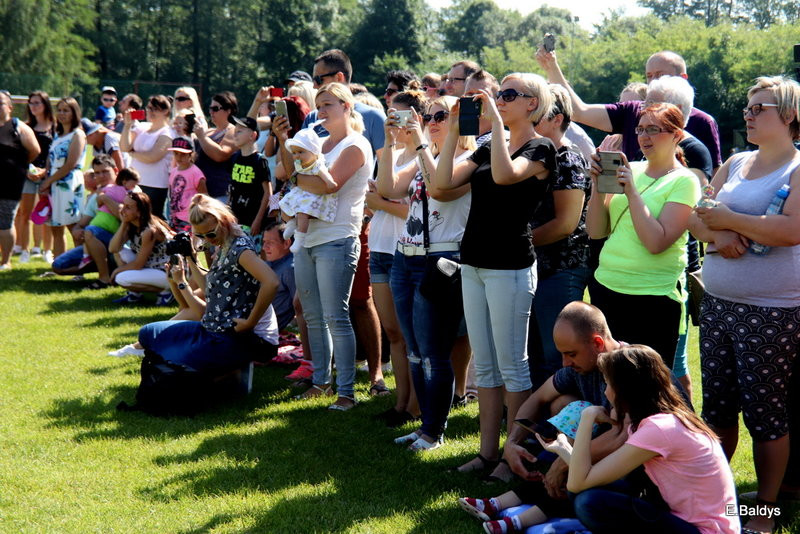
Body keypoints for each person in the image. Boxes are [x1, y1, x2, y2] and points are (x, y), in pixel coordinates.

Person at [690, 75, 800, 534]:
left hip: (772, 312)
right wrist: (718, 234)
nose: (749, 114)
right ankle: (721, 498)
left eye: (762, 107)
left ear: (790, 115)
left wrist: (730, 221)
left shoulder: (797, 169)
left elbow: (791, 231)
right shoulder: (734, 161)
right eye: (749, 107)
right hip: (717, 305)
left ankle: (766, 512)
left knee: (766, 414)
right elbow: (698, 218)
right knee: (716, 409)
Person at [433, 73, 556, 475]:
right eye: (498, 93)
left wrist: (498, 128)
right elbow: (441, 183)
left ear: (532, 104)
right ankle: (487, 453)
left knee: (513, 365)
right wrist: (454, 130)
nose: (499, 100)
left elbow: (506, 176)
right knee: (484, 365)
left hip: (511, 268)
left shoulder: (542, 148)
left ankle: (512, 455)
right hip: (475, 263)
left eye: (508, 95)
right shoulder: (487, 146)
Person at [541, 345, 739, 534]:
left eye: (608, 384)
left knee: (590, 502)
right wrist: (563, 449)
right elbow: (587, 477)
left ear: (625, 390)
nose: (605, 392)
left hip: (704, 530)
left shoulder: (658, 429)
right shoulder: (659, 420)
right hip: (687, 521)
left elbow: (579, 482)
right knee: (587, 493)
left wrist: (587, 416)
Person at [378, 94, 476, 449]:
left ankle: (435, 431)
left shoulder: (469, 159)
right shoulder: (429, 154)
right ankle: (425, 426)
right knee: (415, 350)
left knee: (435, 352)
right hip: (406, 257)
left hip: (440, 261)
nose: (431, 121)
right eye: (428, 116)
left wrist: (418, 141)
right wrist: (390, 143)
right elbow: (388, 188)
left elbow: (441, 190)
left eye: (440, 116)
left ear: (457, 121)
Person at [273, 82, 372, 411]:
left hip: (338, 238)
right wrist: (288, 148)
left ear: (347, 107)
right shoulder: (319, 143)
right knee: (313, 316)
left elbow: (328, 186)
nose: (321, 110)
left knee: (336, 316)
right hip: (307, 240)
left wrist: (295, 165)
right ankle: (321, 383)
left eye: (328, 103)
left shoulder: (356, 145)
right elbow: (301, 177)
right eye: (319, 104)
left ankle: (346, 392)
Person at [586, 103, 700, 368]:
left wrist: (632, 193)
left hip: (653, 298)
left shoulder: (685, 180)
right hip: (607, 287)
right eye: (640, 129)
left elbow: (656, 242)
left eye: (653, 129)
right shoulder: (631, 169)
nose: (644, 137)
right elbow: (596, 231)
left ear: (677, 135)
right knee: (611, 378)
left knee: (649, 387)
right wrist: (597, 187)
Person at [137, 194, 279, 372]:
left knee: (176, 361)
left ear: (224, 222)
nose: (207, 239)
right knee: (148, 333)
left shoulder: (240, 249)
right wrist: (189, 258)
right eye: (200, 235)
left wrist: (250, 322)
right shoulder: (223, 243)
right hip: (215, 328)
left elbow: (272, 282)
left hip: (245, 337)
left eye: (210, 233)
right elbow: (211, 291)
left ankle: (229, 374)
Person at [536, 48, 722, 172]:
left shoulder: (702, 124)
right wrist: (552, 66)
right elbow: (579, 111)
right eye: (649, 76)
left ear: (683, 78)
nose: (653, 82)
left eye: (660, 75)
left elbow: (711, 176)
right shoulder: (633, 111)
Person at [528, 84, 592, 388]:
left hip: (560, 268)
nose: (531, 119)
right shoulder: (535, 155)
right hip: (535, 265)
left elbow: (565, 224)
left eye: (538, 114)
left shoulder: (567, 158)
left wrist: (516, 244)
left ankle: (560, 425)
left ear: (558, 118)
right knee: (535, 353)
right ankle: (535, 422)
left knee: (558, 356)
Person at [371, 89, 425, 425]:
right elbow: (381, 195)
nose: (397, 123)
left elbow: (410, 209)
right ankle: (400, 401)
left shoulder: (423, 155)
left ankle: (413, 404)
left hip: (403, 249)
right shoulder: (389, 152)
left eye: (403, 116)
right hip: (379, 245)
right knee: (392, 332)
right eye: (392, 116)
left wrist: (379, 203)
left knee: (408, 334)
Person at [301, 49, 386, 157]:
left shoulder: (374, 117)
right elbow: (295, 166)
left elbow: (386, 168)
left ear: (339, 77)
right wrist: (282, 137)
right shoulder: (312, 118)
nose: (314, 86)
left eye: (318, 79)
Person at [53, 155, 117, 278]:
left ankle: (104, 278)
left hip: (121, 245)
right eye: (97, 173)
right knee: (58, 265)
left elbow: (126, 218)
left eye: (105, 171)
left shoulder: (127, 191)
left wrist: (104, 198)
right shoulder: (93, 197)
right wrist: (77, 230)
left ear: (115, 171)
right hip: (98, 244)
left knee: (92, 231)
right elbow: (82, 223)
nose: (101, 176)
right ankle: (104, 266)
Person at [39, 97, 86, 258]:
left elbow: (70, 164)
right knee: (55, 226)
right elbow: (50, 160)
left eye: (66, 110)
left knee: (73, 227)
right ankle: (59, 265)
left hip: (69, 183)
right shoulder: (58, 135)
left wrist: (48, 181)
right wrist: (46, 179)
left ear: (74, 113)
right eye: (59, 110)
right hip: (53, 183)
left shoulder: (78, 134)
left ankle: (80, 266)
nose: (62, 113)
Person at [107, 191, 173, 305]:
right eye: (123, 205)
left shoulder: (149, 230)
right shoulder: (132, 224)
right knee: (119, 251)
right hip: (152, 266)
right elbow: (113, 249)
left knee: (121, 278)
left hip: (167, 272)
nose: (122, 210)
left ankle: (167, 291)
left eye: (128, 207)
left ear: (139, 212)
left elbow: (138, 264)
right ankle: (134, 294)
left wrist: (116, 271)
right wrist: (123, 224)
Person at [279, 127, 337, 254]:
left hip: (312, 195)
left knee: (302, 213)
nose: (297, 156)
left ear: (314, 152)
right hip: (301, 192)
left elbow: (325, 176)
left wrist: (330, 182)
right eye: (294, 153)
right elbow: (292, 175)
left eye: (301, 152)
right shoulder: (300, 164)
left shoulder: (317, 165)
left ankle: (299, 237)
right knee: (283, 205)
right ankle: (291, 223)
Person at [0, 90, 40, 270]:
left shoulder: (19, 127)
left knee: (5, 221)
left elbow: (34, 151)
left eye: (0, 103)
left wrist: (18, 166)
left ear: (9, 107)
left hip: (10, 184)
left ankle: (6, 261)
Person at [14, 90, 54, 263]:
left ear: (45, 105)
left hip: (49, 176)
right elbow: (19, 152)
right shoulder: (25, 126)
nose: (33, 106)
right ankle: (25, 250)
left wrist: (45, 172)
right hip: (27, 175)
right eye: (31, 103)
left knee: (46, 213)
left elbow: (55, 154)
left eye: (37, 102)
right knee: (25, 213)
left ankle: (45, 250)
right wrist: (29, 170)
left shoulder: (55, 127)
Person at [120, 94, 174, 218]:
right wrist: (127, 125)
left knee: (153, 219)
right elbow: (124, 146)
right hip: (135, 183)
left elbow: (153, 156)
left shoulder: (168, 132)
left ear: (165, 111)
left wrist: (132, 153)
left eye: (154, 109)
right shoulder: (142, 127)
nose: (150, 111)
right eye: (148, 108)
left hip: (155, 186)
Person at [78, 167, 140, 272]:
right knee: (89, 233)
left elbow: (99, 199)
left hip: (102, 219)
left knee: (88, 232)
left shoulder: (111, 188)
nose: (135, 187)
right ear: (125, 182)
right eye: (134, 184)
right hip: (110, 222)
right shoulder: (128, 193)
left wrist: (101, 196)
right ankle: (88, 258)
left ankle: (86, 257)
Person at [228, 116, 271, 236]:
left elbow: (268, 193)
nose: (235, 135)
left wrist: (257, 221)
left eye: (239, 131)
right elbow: (232, 189)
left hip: (252, 222)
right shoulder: (234, 158)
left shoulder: (259, 160)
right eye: (235, 132)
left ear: (253, 136)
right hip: (235, 220)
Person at [194, 91, 238, 203]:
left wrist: (202, 137)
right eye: (210, 108)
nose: (211, 112)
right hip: (200, 193)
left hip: (219, 193)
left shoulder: (233, 130)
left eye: (215, 108)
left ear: (228, 110)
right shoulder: (209, 132)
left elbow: (221, 155)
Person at [260, 219, 296, 332]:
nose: (264, 248)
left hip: (263, 329)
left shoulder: (290, 269)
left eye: (270, 242)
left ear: (286, 243)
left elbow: (302, 309)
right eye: (264, 242)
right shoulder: (270, 263)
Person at [167, 136, 207, 232]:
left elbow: (204, 197)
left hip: (189, 220)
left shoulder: (196, 173)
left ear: (191, 155)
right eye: (176, 154)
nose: (179, 157)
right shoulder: (174, 171)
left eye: (183, 154)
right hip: (175, 217)